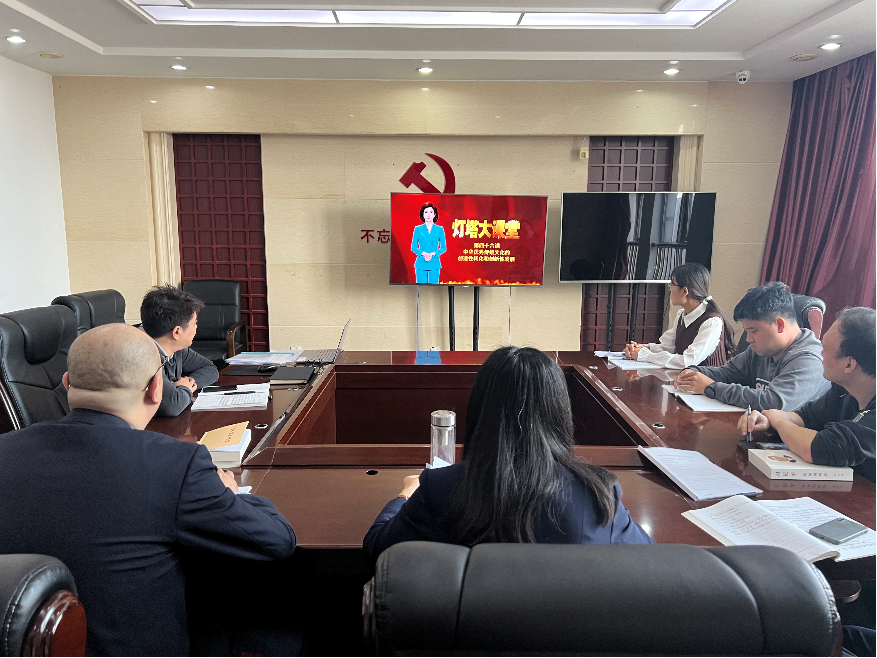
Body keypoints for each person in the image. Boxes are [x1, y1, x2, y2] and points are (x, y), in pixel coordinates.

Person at [0, 324, 297, 655]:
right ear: (157, 388)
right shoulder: (177, 464)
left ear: (67, 383)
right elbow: (277, 541)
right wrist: (229, 493)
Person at [363, 346, 653, 561]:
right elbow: (649, 558)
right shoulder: (598, 493)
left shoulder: (440, 488)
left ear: (482, 409)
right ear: (559, 413)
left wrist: (404, 495)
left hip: (471, 627)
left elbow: (378, 548)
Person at [738, 307, 875, 481]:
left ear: (848, 364)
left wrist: (779, 421)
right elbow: (805, 417)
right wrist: (768, 418)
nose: (820, 353)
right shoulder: (843, 390)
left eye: (825, 348)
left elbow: (816, 448)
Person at [674, 281, 830, 410]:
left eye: (754, 331)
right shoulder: (762, 350)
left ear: (780, 325)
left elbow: (773, 402)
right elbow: (728, 373)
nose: (748, 339)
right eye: (746, 331)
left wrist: (711, 388)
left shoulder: (809, 359)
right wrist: (694, 372)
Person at [624, 262, 735, 369]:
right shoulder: (682, 314)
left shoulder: (712, 322)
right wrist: (643, 348)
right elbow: (668, 347)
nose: (669, 289)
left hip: (708, 381)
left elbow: (687, 361)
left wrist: (646, 356)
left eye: (672, 285)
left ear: (685, 291)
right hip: (686, 378)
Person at [140, 284, 219, 416]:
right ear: (177, 332)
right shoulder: (140, 354)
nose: (196, 328)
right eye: (195, 323)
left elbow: (210, 369)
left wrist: (186, 384)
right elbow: (172, 406)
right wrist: (183, 388)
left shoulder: (174, 346)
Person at [410, 202, 447, 284]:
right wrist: (424, 253)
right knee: (421, 288)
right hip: (421, 263)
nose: (428, 215)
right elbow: (413, 247)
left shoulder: (440, 229)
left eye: (431, 212)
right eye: (426, 212)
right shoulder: (418, 229)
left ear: (434, 214)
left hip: (434, 262)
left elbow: (443, 247)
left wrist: (433, 253)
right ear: (423, 215)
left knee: (433, 288)